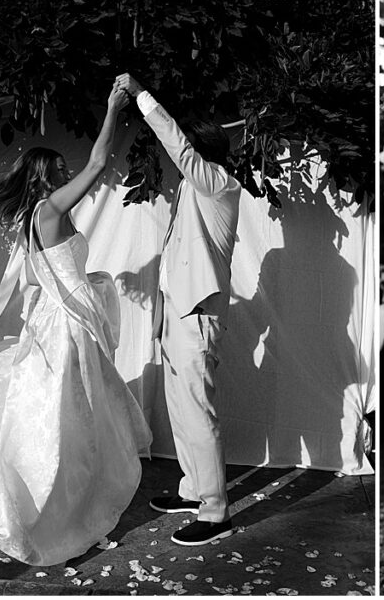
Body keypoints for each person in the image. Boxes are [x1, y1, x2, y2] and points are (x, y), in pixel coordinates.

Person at [0, 85, 152, 566]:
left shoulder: (32, 217)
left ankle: (71, 496)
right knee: (67, 416)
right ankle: (58, 509)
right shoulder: (49, 210)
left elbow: (43, 276)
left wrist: (90, 281)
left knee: (68, 414)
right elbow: (96, 165)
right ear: (45, 176)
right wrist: (112, 108)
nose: (69, 174)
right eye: (60, 171)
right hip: (66, 327)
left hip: (59, 320)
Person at [116, 73, 241, 547]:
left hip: (198, 319)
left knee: (199, 414)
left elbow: (178, 147)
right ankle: (194, 490)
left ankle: (215, 512)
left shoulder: (217, 184)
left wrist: (142, 96)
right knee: (183, 413)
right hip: (178, 318)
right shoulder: (194, 191)